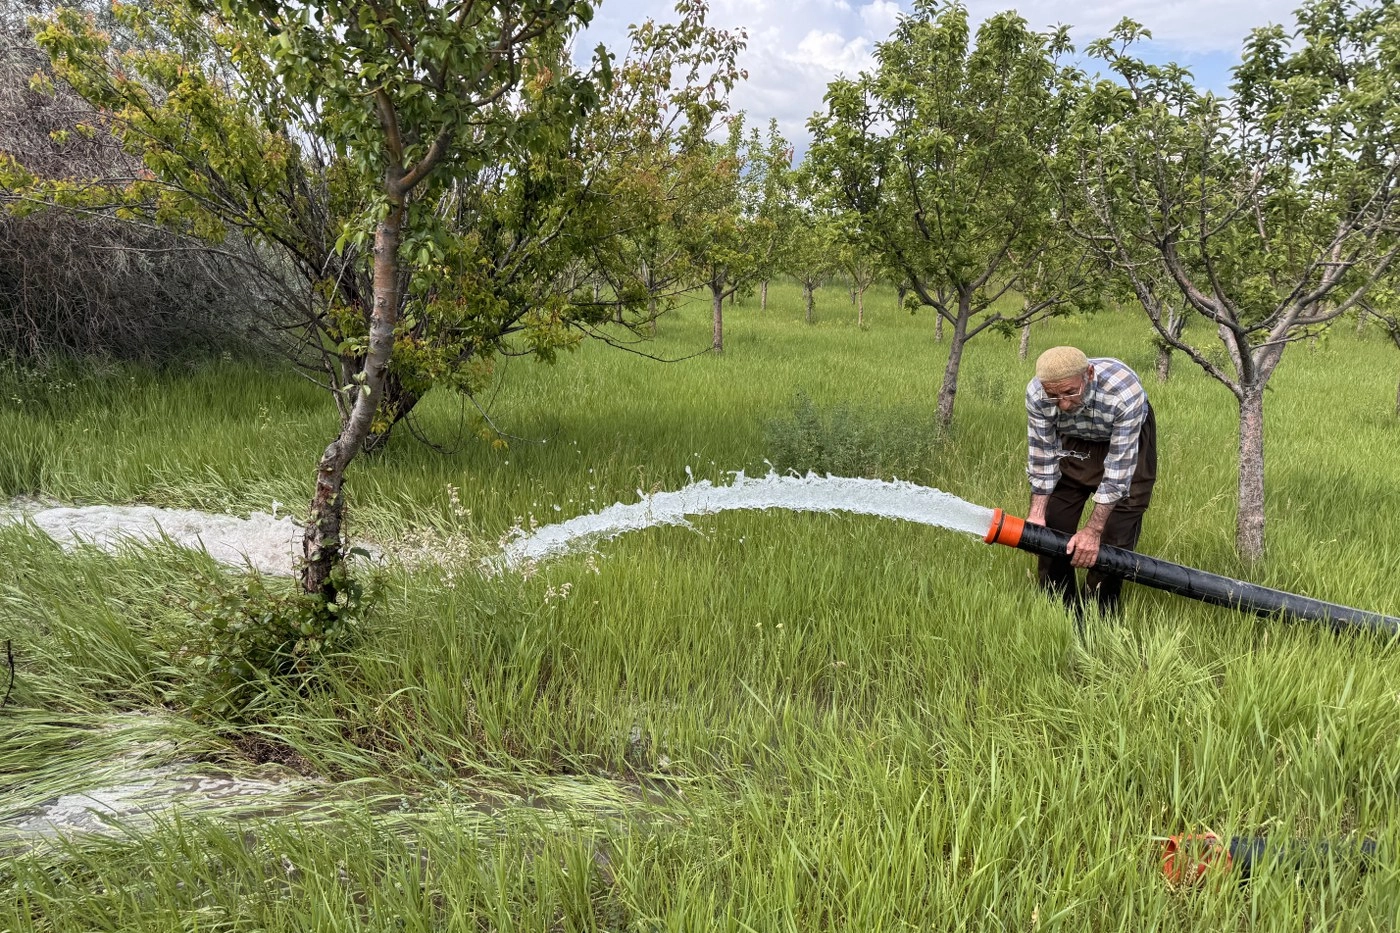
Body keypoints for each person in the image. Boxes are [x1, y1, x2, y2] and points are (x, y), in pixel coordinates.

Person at [1025, 346, 1157, 617]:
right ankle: (1060, 609)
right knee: (1052, 524)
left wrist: (1092, 531)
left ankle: (1100, 612)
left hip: (1123, 438)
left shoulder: (1123, 392)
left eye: (1070, 392)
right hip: (1076, 438)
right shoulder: (1037, 395)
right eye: (1054, 395)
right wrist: (1036, 514)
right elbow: (1042, 456)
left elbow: (1119, 472)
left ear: (1089, 374)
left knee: (1114, 534)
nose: (1063, 404)